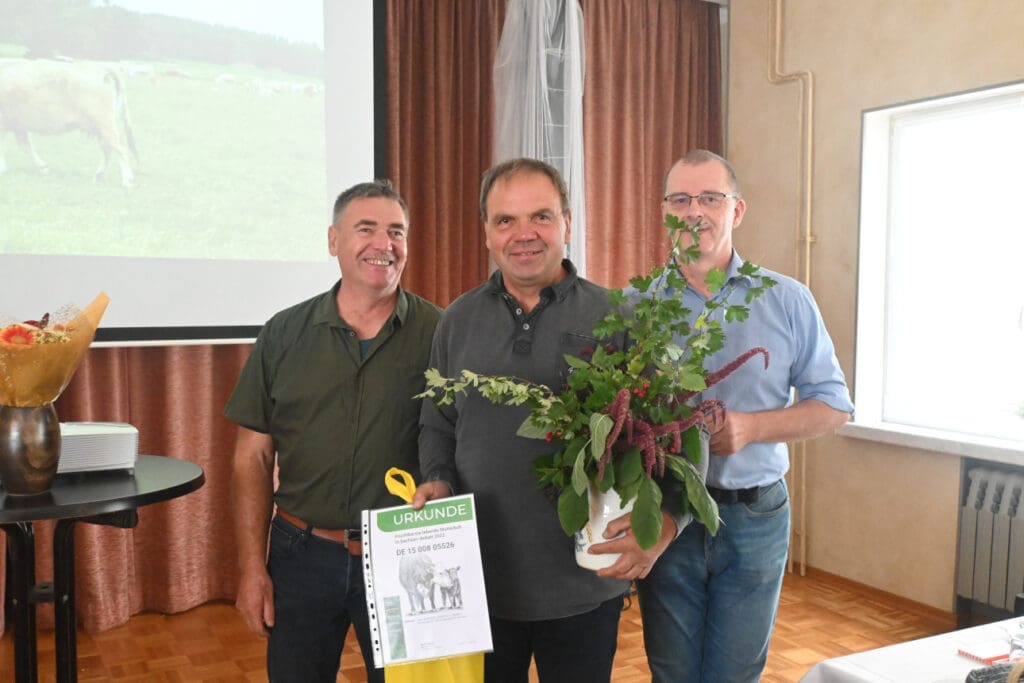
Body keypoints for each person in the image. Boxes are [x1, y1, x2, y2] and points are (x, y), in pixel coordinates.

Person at [413, 158, 657, 682]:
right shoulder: (456, 320)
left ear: (567, 222)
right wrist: (436, 477)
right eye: (506, 221)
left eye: (540, 217)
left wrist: (664, 527)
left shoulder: (618, 317)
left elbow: (669, 431)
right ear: (486, 233)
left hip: (585, 584)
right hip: (477, 583)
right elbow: (437, 423)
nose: (523, 234)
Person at [631, 149, 855, 682]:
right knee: (673, 673)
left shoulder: (787, 301)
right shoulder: (636, 308)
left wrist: (753, 428)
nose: (695, 212)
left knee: (735, 675)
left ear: (737, 210)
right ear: (664, 211)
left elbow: (834, 405)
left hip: (754, 519)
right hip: (668, 518)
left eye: (711, 198)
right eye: (680, 199)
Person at [224, 180, 442, 683]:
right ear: (333, 241)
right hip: (300, 555)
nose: (383, 244)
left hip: (403, 556)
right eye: (365, 229)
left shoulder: (441, 333)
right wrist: (252, 571)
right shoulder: (283, 332)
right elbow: (250, 459)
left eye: (396, 231)